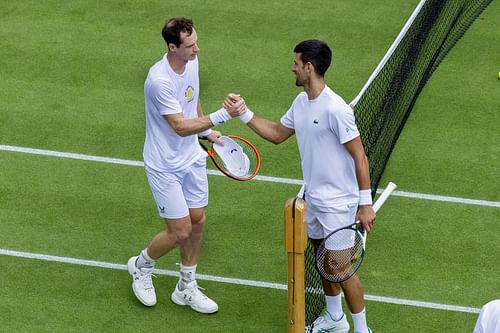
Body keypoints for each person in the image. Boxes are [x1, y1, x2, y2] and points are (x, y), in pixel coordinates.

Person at [224, 40, 376, 333]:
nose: (292, 67)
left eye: (296, 63)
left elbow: (360, 156)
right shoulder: (300, 103)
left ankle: (363, 329)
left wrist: (365, 203)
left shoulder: (336, 109)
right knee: (322, 260)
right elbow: (278, 134)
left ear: (309, 67)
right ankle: (335, 319)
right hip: (313, 197)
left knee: (340, 268)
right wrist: (243, 113)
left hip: (338, 203)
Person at [128, 17, 245, 314]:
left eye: (196, 42)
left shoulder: (190, 62)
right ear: (172, 47)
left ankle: (186, 287)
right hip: (164, 164)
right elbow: (179, 126)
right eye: (190, 46)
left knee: (198, 220)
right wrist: (221, 116)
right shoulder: (158, 81)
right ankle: (141, 267)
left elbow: (191, 102)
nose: (197, 50)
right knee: (180, 231)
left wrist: (207, 132)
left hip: (190, 157)